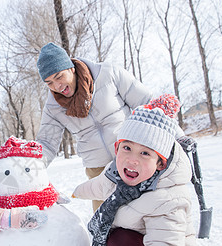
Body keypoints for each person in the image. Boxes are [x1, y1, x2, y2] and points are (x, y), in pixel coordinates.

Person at [66, 102, 199, 246]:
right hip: (135, 242)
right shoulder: (116, 174)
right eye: (127, 147)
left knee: (120, 241)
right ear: (117, 148)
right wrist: (75, 193)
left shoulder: (169, 199)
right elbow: (99, 186)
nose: (132, 159)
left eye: (145, 153)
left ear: (160, 163)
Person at [35, 42, 152, 212]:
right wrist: (30, 168)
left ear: (71, 67)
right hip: (97, 170)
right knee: (107, 227)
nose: (57, 87)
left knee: (145, 212)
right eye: (49, 83)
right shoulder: (53, 106)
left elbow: (146, 103)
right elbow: (46, 142)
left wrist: (175, 136)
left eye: (59, 76)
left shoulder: (108, 73)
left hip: (131, 157)